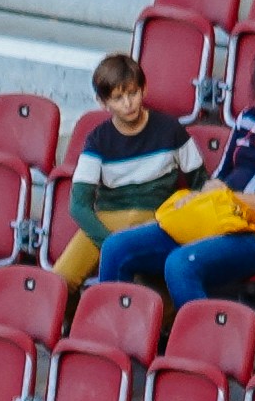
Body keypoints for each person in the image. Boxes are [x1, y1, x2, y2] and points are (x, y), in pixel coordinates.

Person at [91, 32, 255, 312]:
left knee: (181, 264)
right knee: (117, 247)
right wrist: (202, 197)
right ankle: (116, 339)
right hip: (219, 217)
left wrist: (231, 198)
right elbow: (222, 173)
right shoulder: (251, 116)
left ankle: (196, 350)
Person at [52, 45, 179, 280]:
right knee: (60, 279)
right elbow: (78, 205)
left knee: (148, 288)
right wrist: (109, 242)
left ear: (144, 90)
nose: (128, 103)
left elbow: (199, 181)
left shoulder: (170, 130)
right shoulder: (98, 139)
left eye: (132, 93)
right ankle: (77, 317)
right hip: (109, 217)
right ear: (103, 102)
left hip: (156, 218)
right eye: (118, 98)